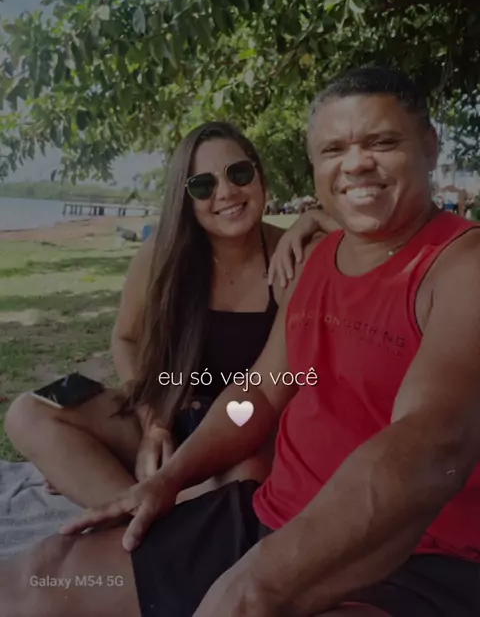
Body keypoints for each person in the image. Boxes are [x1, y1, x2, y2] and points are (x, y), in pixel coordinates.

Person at [5, 65, 480, 617]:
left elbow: (431, 445)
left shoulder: (460, 267)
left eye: (381, 142)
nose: (355, 164)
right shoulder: (316, 263)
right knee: (40, 579)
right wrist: (170, 479)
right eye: (333, 150)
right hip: (269, 516)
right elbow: (260, 393)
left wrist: (260, 580)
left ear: (430, 146)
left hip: (416, 554)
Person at [4, 120, 332, 510]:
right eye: (203, 185)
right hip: (170, 415)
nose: (226, 192)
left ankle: (141, 511)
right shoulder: (161, 255)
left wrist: (314, 218)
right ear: (185, 197)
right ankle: (138, 513)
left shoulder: (294, 256)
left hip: (245, 436)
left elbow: (378, 227)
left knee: (250, 475)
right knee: (29, 412)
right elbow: (126, 338)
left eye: (239, 173)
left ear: (260, 176)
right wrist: (154, 425)